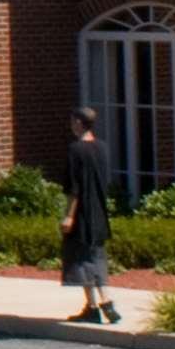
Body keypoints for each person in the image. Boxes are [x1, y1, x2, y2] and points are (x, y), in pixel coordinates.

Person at [62, 104, 118, 325]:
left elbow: (74, 188)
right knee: (98, 258)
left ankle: (95, 306)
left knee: (82, 260)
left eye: (73, 121)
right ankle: (105, 302)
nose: (71, 125)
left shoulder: (75, 150)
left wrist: (69, 216)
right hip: (100, 212)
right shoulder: (102, 148)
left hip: (82, 213)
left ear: (78, 123)